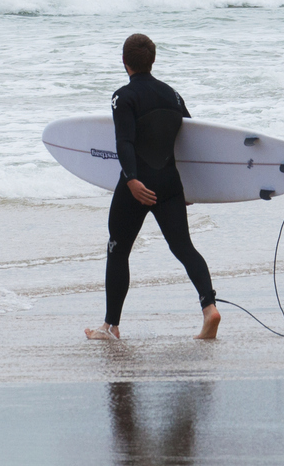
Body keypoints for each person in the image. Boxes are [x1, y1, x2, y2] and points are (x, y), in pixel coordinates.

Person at [85, 33, 220, 341]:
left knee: (118, 250)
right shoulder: (173, 96)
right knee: (184, 247)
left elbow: (125, 142)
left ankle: (111, 326)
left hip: (138, 184)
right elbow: (188, 141)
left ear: (124, 62)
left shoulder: (123, 96)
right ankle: (209, 307)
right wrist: (189, 189)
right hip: (170, 183)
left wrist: (132, 180)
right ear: (153, 60)